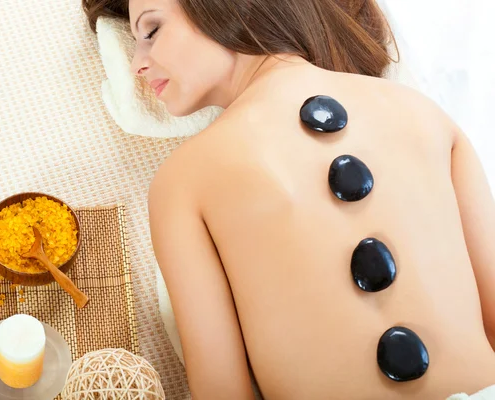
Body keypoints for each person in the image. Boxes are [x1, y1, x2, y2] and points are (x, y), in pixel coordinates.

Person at [83, 0, 495, 399]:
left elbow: (223, 392)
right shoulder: (427, 116)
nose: (136, 63)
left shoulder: (183, 182)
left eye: (151, 31)